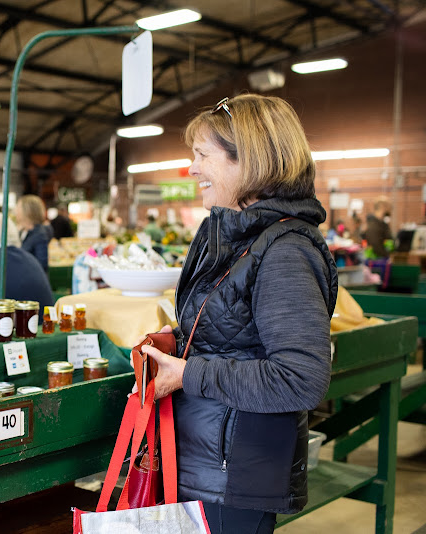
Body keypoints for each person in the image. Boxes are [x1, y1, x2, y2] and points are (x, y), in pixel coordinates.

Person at [137, 94, 338, 533]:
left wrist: (189, 373)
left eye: (202, 155)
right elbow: (232, 333)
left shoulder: (285, 252)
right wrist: (179, 339)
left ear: (249, 161)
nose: (192, 169)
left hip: (232, 476)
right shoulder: (226, 234)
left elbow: (301, 379)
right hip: (201, 460)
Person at [14, 194, 50, 273]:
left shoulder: (40, 234)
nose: (15, 211)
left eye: (18, 208)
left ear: (28, 211)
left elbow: (42, 265)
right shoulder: (24, 231)